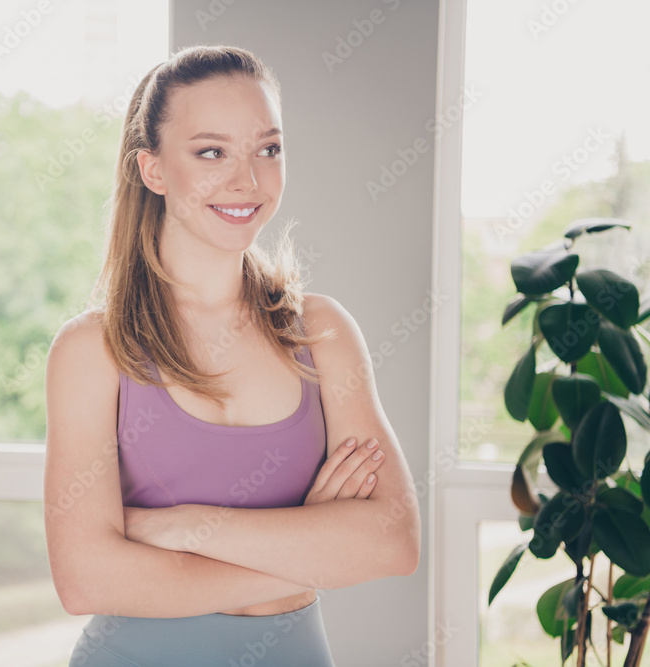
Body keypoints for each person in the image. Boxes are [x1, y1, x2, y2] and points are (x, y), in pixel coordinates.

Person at [43, 44, 420, 666]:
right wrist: (308, 550)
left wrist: (183, 528)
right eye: (211, 152)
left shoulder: (321, 333)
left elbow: (393, 543)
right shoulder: (93, 350)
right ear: (154, 170)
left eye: (267, 149)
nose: (247, 179)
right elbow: (86, 580)